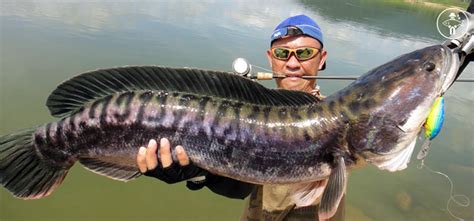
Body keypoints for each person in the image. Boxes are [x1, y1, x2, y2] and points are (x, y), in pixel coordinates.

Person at [136, 14, 345, 221]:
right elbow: (240, 187)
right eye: (282, 53)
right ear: (270, 58)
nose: (292, 64)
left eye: (304, 53)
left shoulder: (338, 120)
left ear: (322, 58)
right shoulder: (253, 117)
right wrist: (198, 173)